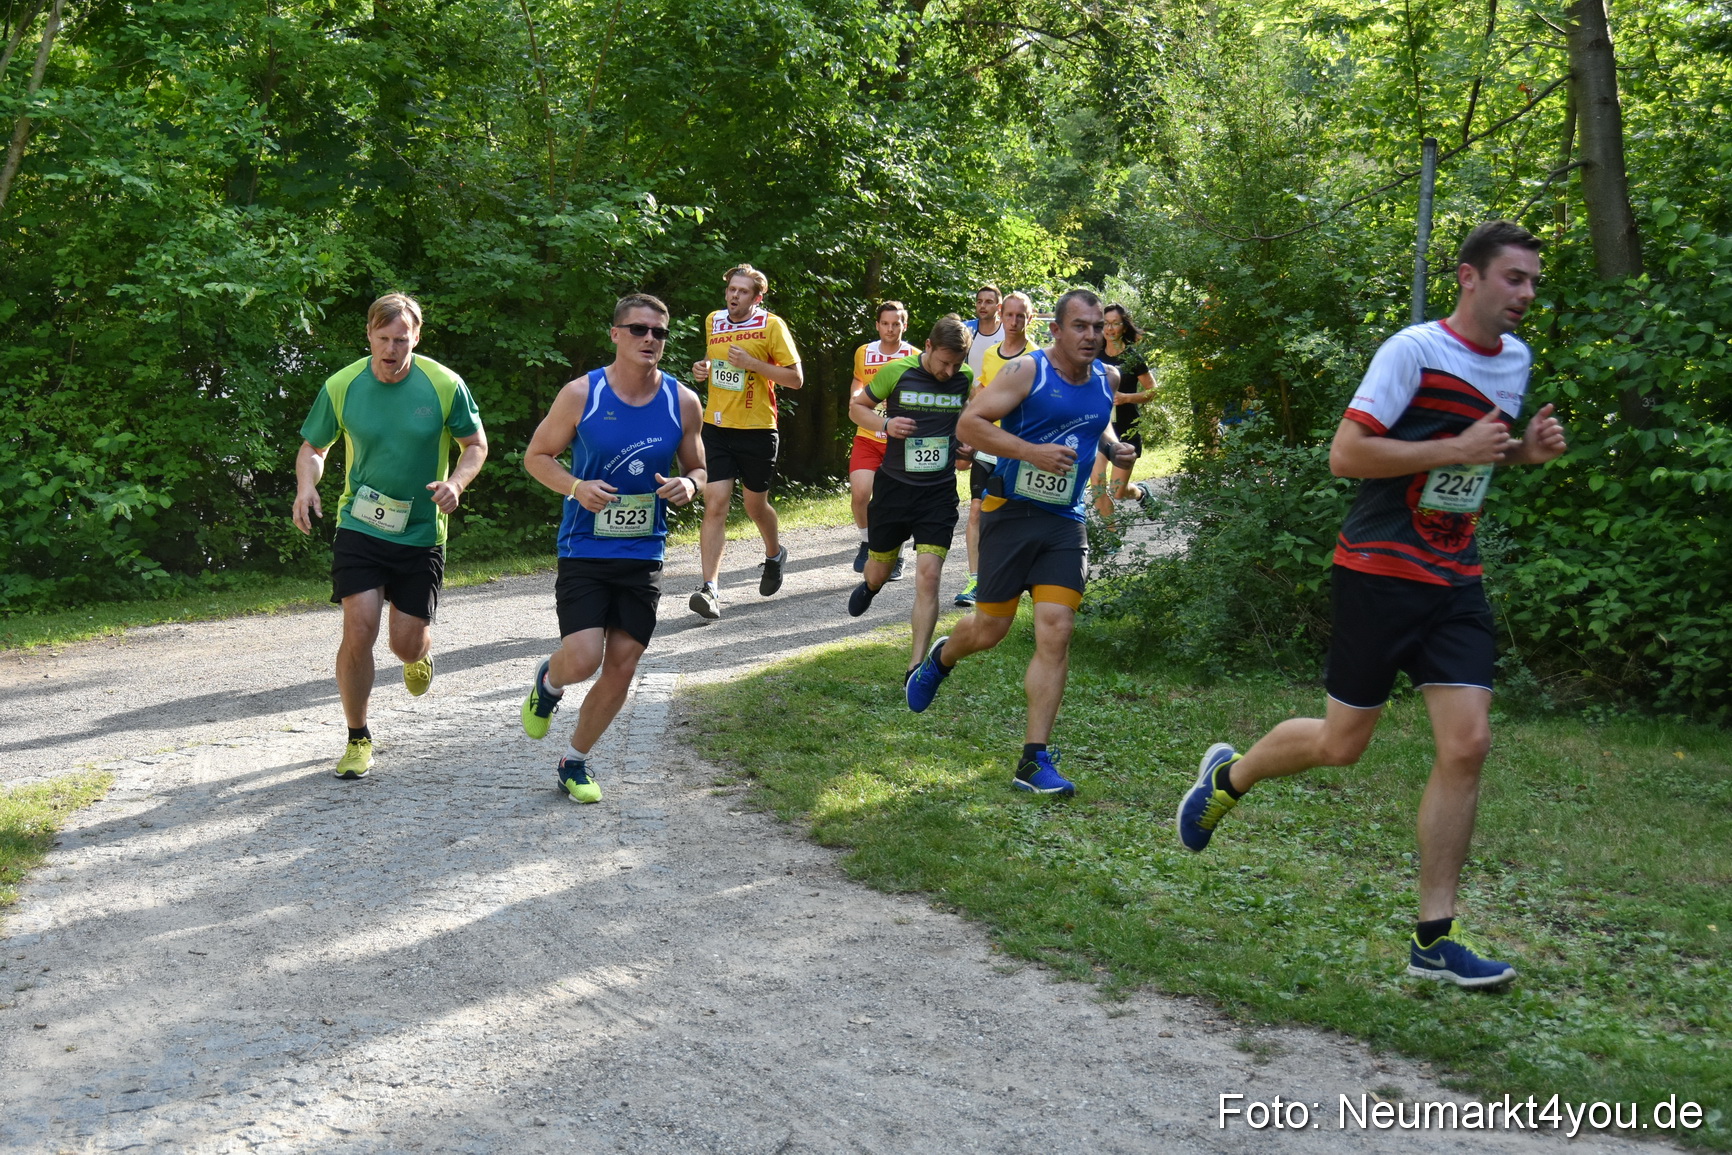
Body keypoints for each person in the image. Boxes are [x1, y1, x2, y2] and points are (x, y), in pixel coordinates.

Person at [1175, 220, 1568, 988]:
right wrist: (1450, 449)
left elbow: (1477, 463)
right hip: (1380, 568)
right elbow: (1346, 454)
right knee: (1342, 742)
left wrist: (1523, 453)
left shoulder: (1514, 362)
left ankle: (1433, 937)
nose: (1526, 294)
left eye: (1533, 283)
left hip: (1455, 575)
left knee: (1468, 744)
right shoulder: (1413, 352)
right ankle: (1229, 778)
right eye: (1515, 278)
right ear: (1469, 278)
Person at [905, 290, 1134, 797]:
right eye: (1081, 326)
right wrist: (1030, 451)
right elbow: (970, 424)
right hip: (1009, 510)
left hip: (1064, 520)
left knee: (1057, 628)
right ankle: (941, 658)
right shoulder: (1027, 372)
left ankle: (1033, 761)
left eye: (1098, 327)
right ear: (1056, 328)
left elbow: (1097, 421)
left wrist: (1113, 445)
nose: (1092, 336)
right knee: (991, 627)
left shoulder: (1107, 378)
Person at [292, 293, 488, 780]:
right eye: (383, 339)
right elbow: (314, 446)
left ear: (415, 338)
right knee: (358, 627)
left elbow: (475, 444)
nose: (392, 349)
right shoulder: (343, 385)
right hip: (360, 523)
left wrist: (456, 483)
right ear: (369, 337)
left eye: (401, 339)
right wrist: (306, 485)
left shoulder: (444, 385)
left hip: (421, 531)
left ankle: (417, 653)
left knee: (405, 643)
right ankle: (358, 736)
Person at [519, 294, 706, 803]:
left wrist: (690, 486)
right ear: (616, 334)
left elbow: (699, 468)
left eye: (659, 333)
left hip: (644, 554)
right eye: (639, 329)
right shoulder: (582, 394)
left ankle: (575, 761)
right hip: (585, 548)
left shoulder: (682, 401)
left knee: (622, 666)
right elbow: (537, 456)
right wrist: (575, 486)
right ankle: (550, 683)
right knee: (582, 658)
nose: (650, 339)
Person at [845, 315, 975, 673]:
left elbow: (966, 421)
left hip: (938, 492)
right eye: (943, 362)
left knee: (929, 576)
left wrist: (967, 446)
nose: (949, 371)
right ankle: (871, 587)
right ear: (928, 347)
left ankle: (916, 667)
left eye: (956, 363)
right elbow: (857, 407)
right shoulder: (896, 372)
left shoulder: (965, 379)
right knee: (878, 572)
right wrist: (886, 424)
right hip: (895, 489)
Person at [688, 264, 803, 620]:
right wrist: (703, 368)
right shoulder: (714, 321)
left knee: (756, 506)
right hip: (717, 426)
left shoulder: (771, 325)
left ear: (757, 297)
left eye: (742, 292)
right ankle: (710, 589)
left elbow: (795, 379)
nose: (733, 296)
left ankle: (774, 554)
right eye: (731, 290)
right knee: (716, 504)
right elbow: (713, 360)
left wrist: (754, 363)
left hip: (757, 428)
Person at [956, 291, 1033, 607]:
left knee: (1018, 516)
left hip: (1019, 450)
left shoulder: (1038, 357)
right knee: (976, 510)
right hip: (989, 446)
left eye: (1020, 316)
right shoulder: (989, 355)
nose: (1014, 322)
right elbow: (982, 399)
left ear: (1030, 317)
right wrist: (969, 431)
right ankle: (976, 580)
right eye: (1009, 315)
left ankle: (1025, 577)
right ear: (1001, 315)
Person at [846, 302, 918, 580]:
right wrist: (857, 396)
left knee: (895, 501)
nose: (890, 329)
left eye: (896, 324)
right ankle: (867, 542)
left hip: (898, 440)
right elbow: (858, 381)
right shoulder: (864, 352)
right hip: (867, 435)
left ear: (904, 325)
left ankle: (896, 555)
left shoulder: (914, 355)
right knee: (861, 494)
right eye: (885, 323)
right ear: (877, 325)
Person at [1089, 303, 1159, 519]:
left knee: (1117, 491)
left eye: (1115, 323)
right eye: (1106, 324)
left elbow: (1153, 391)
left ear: (1124, 327)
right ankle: (1111, 536)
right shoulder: (1094, 354)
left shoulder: (1133, 358)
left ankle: (1140, 492)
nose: (1110, 329)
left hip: (1127, 428)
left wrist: (1127, 398)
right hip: (1101, 427)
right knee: (1097, 483)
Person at [963, 284, 1003, 380]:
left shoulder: (1007, 332)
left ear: (999, 307)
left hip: (997, 392)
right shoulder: (965, 329)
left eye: (988, 302)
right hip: (968, 392)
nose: (982, 306)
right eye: (979, 302)